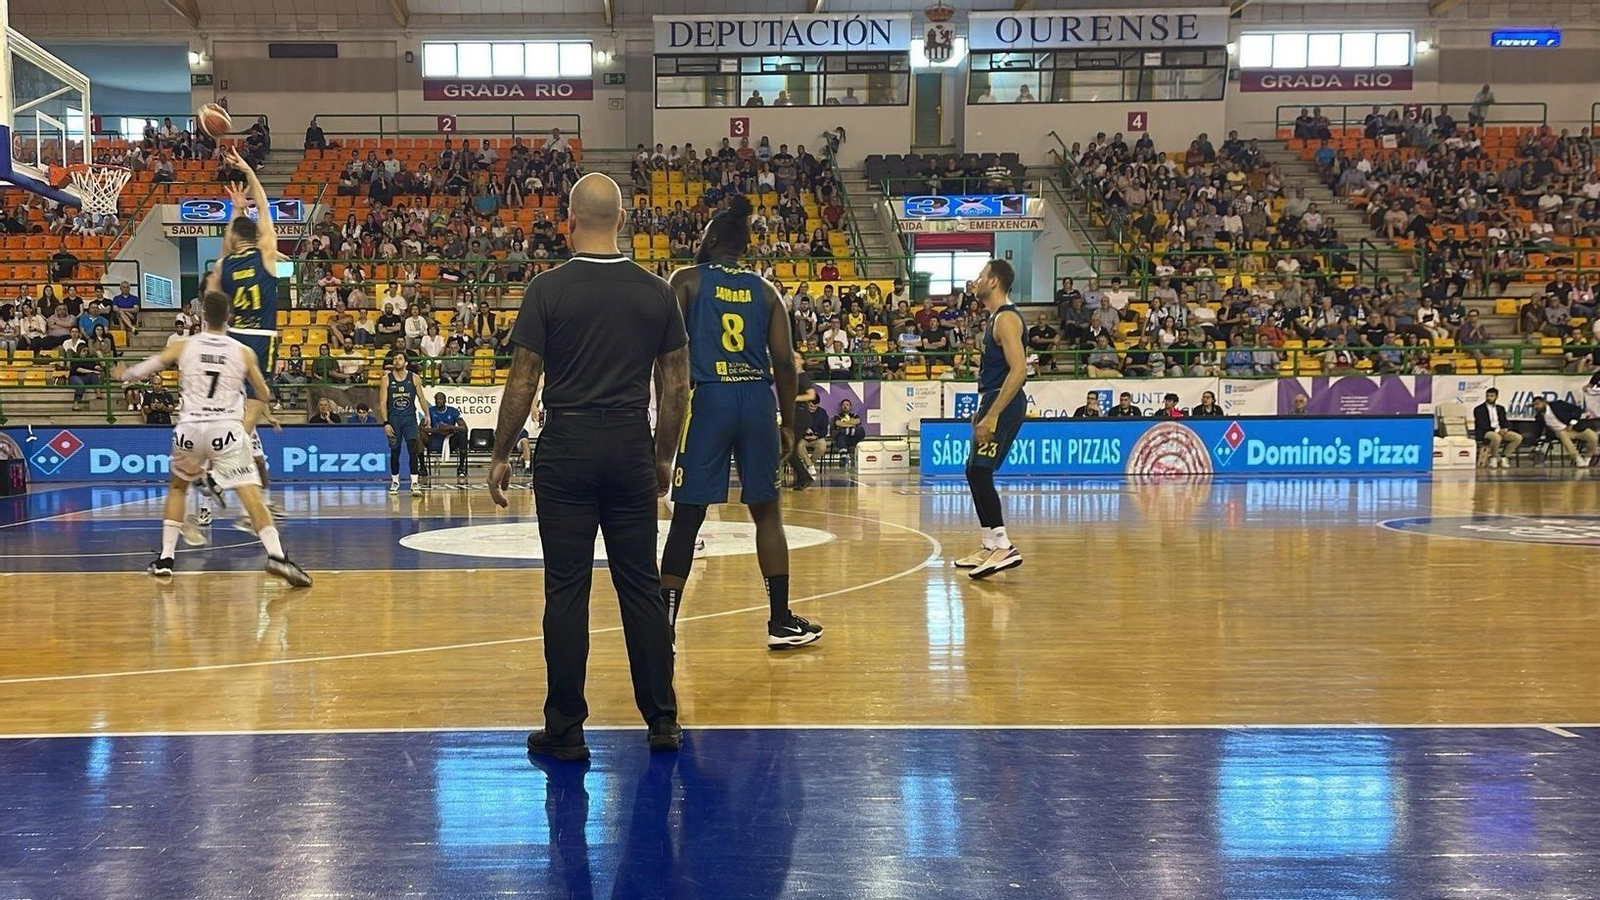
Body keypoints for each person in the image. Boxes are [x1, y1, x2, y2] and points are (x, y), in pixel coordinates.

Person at [487, 172, 688, 761]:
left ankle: (566, 728)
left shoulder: (547, 290)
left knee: (567, 591)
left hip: (567, 451)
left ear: (569, 222)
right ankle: (662, 720)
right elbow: (675, 389)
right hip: (628, 446)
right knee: (641, 590)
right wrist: (662, 459)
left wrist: (500, 453)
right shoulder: (657, 293)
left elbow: (523, 381)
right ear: (622, 221)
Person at [657, 193, 822, 652]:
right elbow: (786, 365)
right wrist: (788, 423)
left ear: (709, 240)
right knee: (767, 513)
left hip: (708, 397)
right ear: (746, 248)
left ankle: (664, 627)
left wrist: (663, 435)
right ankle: (780, 620)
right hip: (756, 399)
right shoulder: (766, 291)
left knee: (688, 515)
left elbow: (666, 358)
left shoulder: (685, 281)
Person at [116, 291, 310, 586]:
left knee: (179, 488)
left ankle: (166, 559)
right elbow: (265, 393)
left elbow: (151, 365)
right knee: (250, 493)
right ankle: (277, 556)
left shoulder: (183, 345)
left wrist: (125, 374)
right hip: (226, 429)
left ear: (202, 316)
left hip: (191, 428)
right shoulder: (242, 351)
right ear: (229, 317)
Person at [208, 147, 281, 501]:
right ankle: (228, 460)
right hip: (261, 337)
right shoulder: (267, 253)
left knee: (244, 402)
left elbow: (228, 243)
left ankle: (223, 458)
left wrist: (235, 210)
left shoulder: (225, 264)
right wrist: (251, 172)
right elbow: (265, 208)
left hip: (232, 338)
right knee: (258, 401)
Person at [954, 259, 1026, 580]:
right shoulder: (995, 318)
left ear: (994, 282)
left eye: (981, 276)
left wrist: (994, 412)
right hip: (993, 399)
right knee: (974, 472)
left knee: (980, 472)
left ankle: (1003, 545)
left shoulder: (1007, 319)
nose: (976, 281)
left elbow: (1019, 371)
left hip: (1004, 402)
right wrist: (983, 409)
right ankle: (988, 543)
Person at [379, 348, 425, 495]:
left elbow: (422, 398)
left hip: (409, 418)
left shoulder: (414, 378)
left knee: (413, 449)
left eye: (399, 358)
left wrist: (427, 415)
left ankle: (415, 483)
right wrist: (386, 423)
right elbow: (382, 403)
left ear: (405, 362)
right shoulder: (386, 379)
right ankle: (395, 481)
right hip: (394, 420)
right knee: (395, 451)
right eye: (394, 359)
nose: (396, 361)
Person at [1528, 396, 1599, 466]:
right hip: (1559, 432)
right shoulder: (1539, 417)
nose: (1536, 407)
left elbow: (1577, 409)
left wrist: (1572, 422)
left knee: (1593, 437)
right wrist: (1533, 444)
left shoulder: (1557, 405)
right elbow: (1537, 431)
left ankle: (1588, 458)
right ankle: (1578, 459)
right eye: (1534, 405)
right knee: (1563, 435)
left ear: (1544, 402)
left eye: (1537, 404)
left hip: (1574, 427)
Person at [423, 391, 469, 483]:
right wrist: (437, 430)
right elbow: (421, 428)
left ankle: (461, 468)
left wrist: (449, 427)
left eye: (440, 399)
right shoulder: (430, 411)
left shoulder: (453, 411)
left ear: (445, 400)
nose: (438, 401)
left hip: (450, 440)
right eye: (436, 399)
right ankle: (422, 469)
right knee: (419, 434)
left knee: (462, 433)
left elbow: (465, 427)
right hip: (435, 440)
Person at [1472, 387, 1522, 468]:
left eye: (1492, 396)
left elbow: (1505, 421)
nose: (1489, 398)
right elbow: (1482, 424)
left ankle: (1504, 457)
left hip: (1500, 430)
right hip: (1486, 432)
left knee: (1517, 437)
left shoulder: (1500, 408)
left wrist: (1505, 429)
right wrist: (1497, 430)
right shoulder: (1479, 409)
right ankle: (1494, 457)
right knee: (1496, 437)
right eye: (1487, 396)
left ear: (1496, 397)